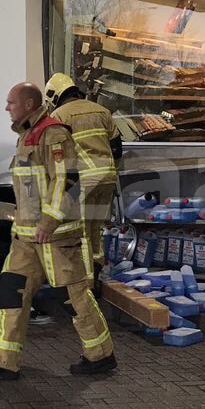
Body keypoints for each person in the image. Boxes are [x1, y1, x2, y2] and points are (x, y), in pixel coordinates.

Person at [0, 83, 115, 381]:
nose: (6, 107)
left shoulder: (54, 134)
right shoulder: (27, 134)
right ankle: (0, 359)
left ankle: (100, 354)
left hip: (56, 236)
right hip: (26, 237)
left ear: (29, 104)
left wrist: (49, 222)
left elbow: (68, 182)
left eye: (11, 102)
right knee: (11, 294)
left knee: (74, 296)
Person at [44, 73, 121, 274]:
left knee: (82, 232)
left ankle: (87, 282)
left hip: (83, 181)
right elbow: (117, 149)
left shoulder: (59, 116)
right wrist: (112, 173)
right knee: (98, 228)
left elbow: (56, 157)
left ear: (54, 95)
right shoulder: (102, 111)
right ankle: (98, 269)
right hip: (107, 177)